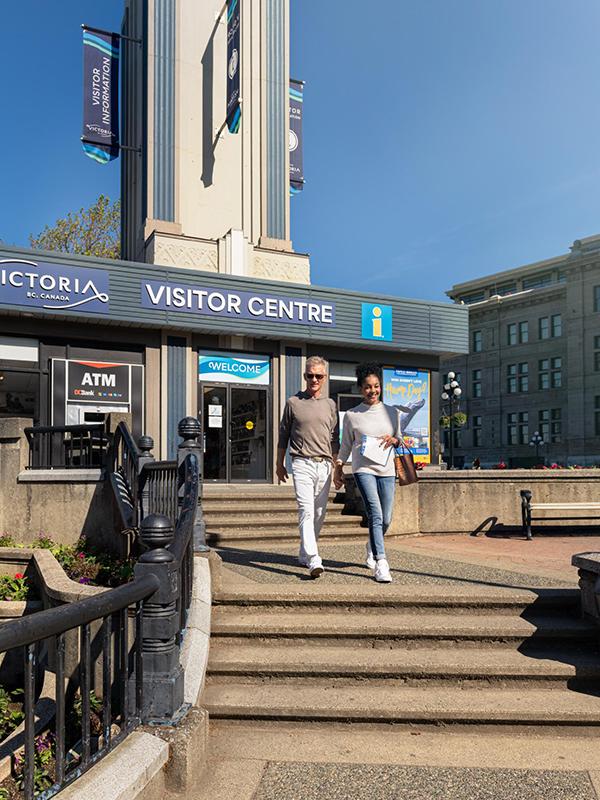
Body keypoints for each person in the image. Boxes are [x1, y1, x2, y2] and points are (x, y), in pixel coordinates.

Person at [333, 362, 401, 583]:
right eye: (368, 387)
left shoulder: (392, 412)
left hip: (387, 468)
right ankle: (381, 562)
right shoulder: (352, 415)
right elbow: (345, 445)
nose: (373, 391)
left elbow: (399, 439)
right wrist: (339, 466)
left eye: (376, 386)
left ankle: (372, 544)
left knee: (387, 517)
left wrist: (394, 440)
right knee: (376, 513)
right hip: (363, 469)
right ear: (360, 389)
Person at [276, 356, 339, 578]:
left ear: (324, 378)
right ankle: (314, 559)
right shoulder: (293, 402)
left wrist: (336, 466)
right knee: (306, 510)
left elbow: (334, 438)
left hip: (325, 465)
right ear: (305, 376)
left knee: (320, 513)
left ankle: (304, 552)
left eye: (319, 376)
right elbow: (283, 434)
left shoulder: (330, 405)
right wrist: (279, 463)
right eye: (310, 375)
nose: (314, 379)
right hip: (301, 462)